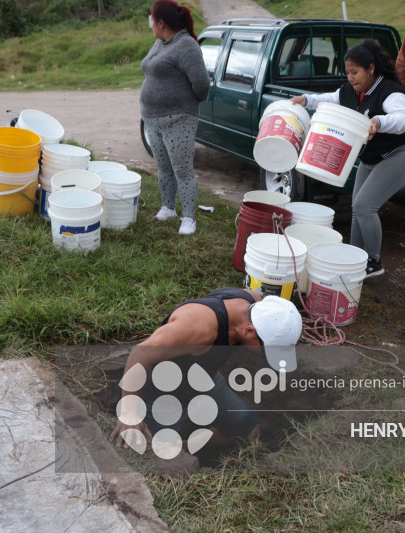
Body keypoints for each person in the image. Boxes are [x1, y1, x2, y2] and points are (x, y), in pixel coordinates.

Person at [109, 288, 303, 451]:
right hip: (162, 395)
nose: (264, 355)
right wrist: (129, 413)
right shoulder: (198, 329)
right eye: (266, 348)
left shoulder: (253, 303)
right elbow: (140, 354)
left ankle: (184, 447)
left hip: (204, 380)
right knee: (152, 453)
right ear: (249, 331)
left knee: (249, 431)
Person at [291, 40, 405, 278]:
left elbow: (403, 120)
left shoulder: (389, 91)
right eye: (347, 72)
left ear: (370, 69)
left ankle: (373, 261)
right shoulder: (349, 91)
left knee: (364, 206)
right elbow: (329, 99)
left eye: (354, 72)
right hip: (371, 158)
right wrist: (306, 100)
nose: (350, 77)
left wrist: (379, 122)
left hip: (398, 156)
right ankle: (355, 257)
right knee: (356, 207)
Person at [140, 0, 210, 235]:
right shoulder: (160, 42)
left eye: (152, 19)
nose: (150, 24)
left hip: (179, 119)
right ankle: (168, 207)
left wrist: (182, 102)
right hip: (152, 119)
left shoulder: (187, 46)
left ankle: (189, 218)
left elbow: (202, 85)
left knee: (183, 170)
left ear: (160, 22)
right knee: (164, 167)